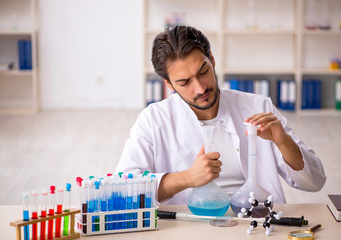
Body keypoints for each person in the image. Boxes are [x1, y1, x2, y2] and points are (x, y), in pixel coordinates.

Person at [115, 25, 326, 205]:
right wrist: (187, 178)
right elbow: (125, 189)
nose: (199, 88)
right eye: (184, 82)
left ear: (212, 60)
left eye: (202, 72)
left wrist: (283, 142)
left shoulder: (259, 107)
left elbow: (315, 182)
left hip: (258, 225)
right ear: (169, 84)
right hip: (189, 229)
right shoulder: (153, 120)